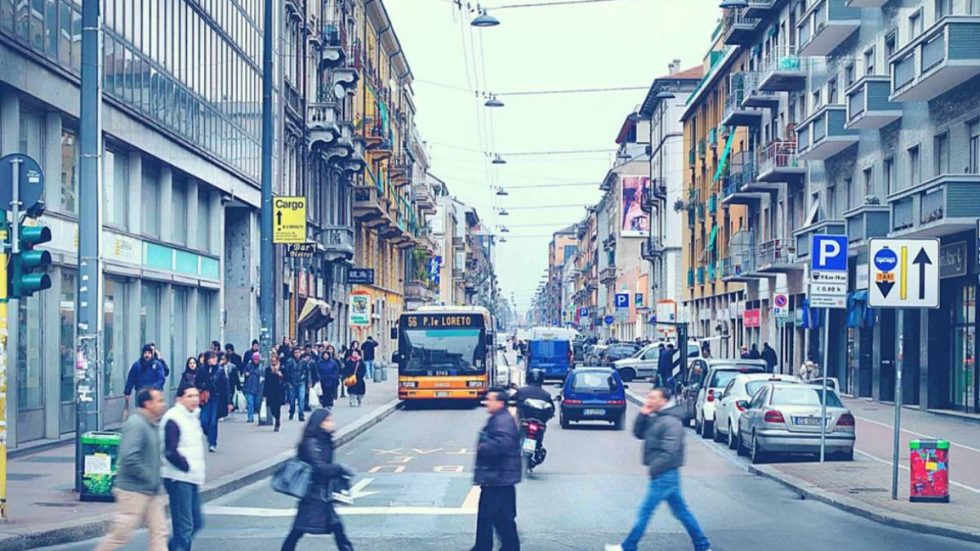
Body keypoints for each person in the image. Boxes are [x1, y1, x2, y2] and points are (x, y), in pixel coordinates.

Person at [605, 387, 712, 551]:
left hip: (665, 474)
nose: (649, 400)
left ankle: (628, 546)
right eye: (649, 397)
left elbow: (671, 450)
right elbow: (638, 433)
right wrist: (643, 414)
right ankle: (702, 545)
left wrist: (655, 468)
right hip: (666, 474)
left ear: (663, 401)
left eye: (653, 398)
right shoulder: (658, 417)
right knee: (682, 513)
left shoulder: (671, 421)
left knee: (645, 511)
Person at [95, 388, 168, 551]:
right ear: (148, 404)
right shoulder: (136, 424)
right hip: (133, 491)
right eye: (160, 401)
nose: (163, 404)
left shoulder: (152, 424)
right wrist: (149, 476)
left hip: (150, 491)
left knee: (160, 532)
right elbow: (129, 456)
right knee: (121, 535)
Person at [280, 409, 355, 551]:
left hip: (320, 494)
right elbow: (319, 468)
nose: (332, 423)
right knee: (300, 530)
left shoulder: (323, 439)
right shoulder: (311, 442)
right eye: (328, 420)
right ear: (319, 423)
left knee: (333, 528)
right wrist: (339, 469)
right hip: (314, 494)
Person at [473, 387, 522, 551]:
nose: (486, 402)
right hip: (498, 478)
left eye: (489, 399)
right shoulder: (499, 418)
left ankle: (489, 547)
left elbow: (504, 444)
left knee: (499, 518)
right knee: (495, 518)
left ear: (500, 403)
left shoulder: (502, 421)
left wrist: (483, 446)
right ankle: (485, 547)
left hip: (498, 479)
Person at [161, 385, 207, 551]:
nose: (194, 399)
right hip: (178, 478)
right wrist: (185, 465)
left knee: (196, 522)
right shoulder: (174, 418)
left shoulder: (193, 416)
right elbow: (170, 451)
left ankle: (172, 548)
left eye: (196, 395)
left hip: (191, 477)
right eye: (189, 396)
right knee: (185, 527)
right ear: (179, 399)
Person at [201, 352, 232, 451]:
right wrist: (203, 387)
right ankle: (208, 434)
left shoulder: (220, 370)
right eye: (211, 358)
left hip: (216, 398)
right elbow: (197, 382)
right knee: (203, 420)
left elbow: (226, 386)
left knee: (213, 421)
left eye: (214, 358)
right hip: (205, 398)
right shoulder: (202, 369)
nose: (213, 360)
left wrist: (229, 402)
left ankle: (212, 443)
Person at [123, 345, 167, 412]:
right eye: (145, 353)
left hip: (153, 393)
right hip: (140, 393)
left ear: (151, 354)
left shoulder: (157, 364)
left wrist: (154, 387)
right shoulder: (137, 365)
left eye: (149, 353)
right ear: (142, 354)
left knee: (154, 411)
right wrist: (127, 392)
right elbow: (131, 379)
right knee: (141, 412)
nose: (147, 355)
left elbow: (161, 378)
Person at [284, 347, 310, 422]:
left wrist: (308, 382)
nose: (297, 354)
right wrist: (288, 382)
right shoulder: (289, 361)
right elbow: (287, 373)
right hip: (292, 383)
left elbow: (308, 372)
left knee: (301, 399)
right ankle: (292, 411)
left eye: (298, 352)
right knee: (292, 400)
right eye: (295, 352)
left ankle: (301, 414)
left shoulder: (304, 362)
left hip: (301, 382)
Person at [264, 354, 287, 431]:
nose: (273, 362)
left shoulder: (281, 368)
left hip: (279, 391)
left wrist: (279, 374)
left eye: (274, 361)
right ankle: (276, 417)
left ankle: (277, 421)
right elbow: (266, 381)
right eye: (272, 361)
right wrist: (265, 392)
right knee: (271, 407)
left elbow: (286, 378)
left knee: (278, 407)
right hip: (271, 391)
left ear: (277, 361)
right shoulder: (268, 369)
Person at [242, 352, 264, 422]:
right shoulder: (248, 365)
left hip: (258, 388)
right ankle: (250, 418)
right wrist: (246, 374)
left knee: (257, 403)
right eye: (255, 359)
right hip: (249, 387)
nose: (256, 361)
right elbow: (244, 372)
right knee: (250, 403)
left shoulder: (261, 367)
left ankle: (260, 417)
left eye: (257, 359)